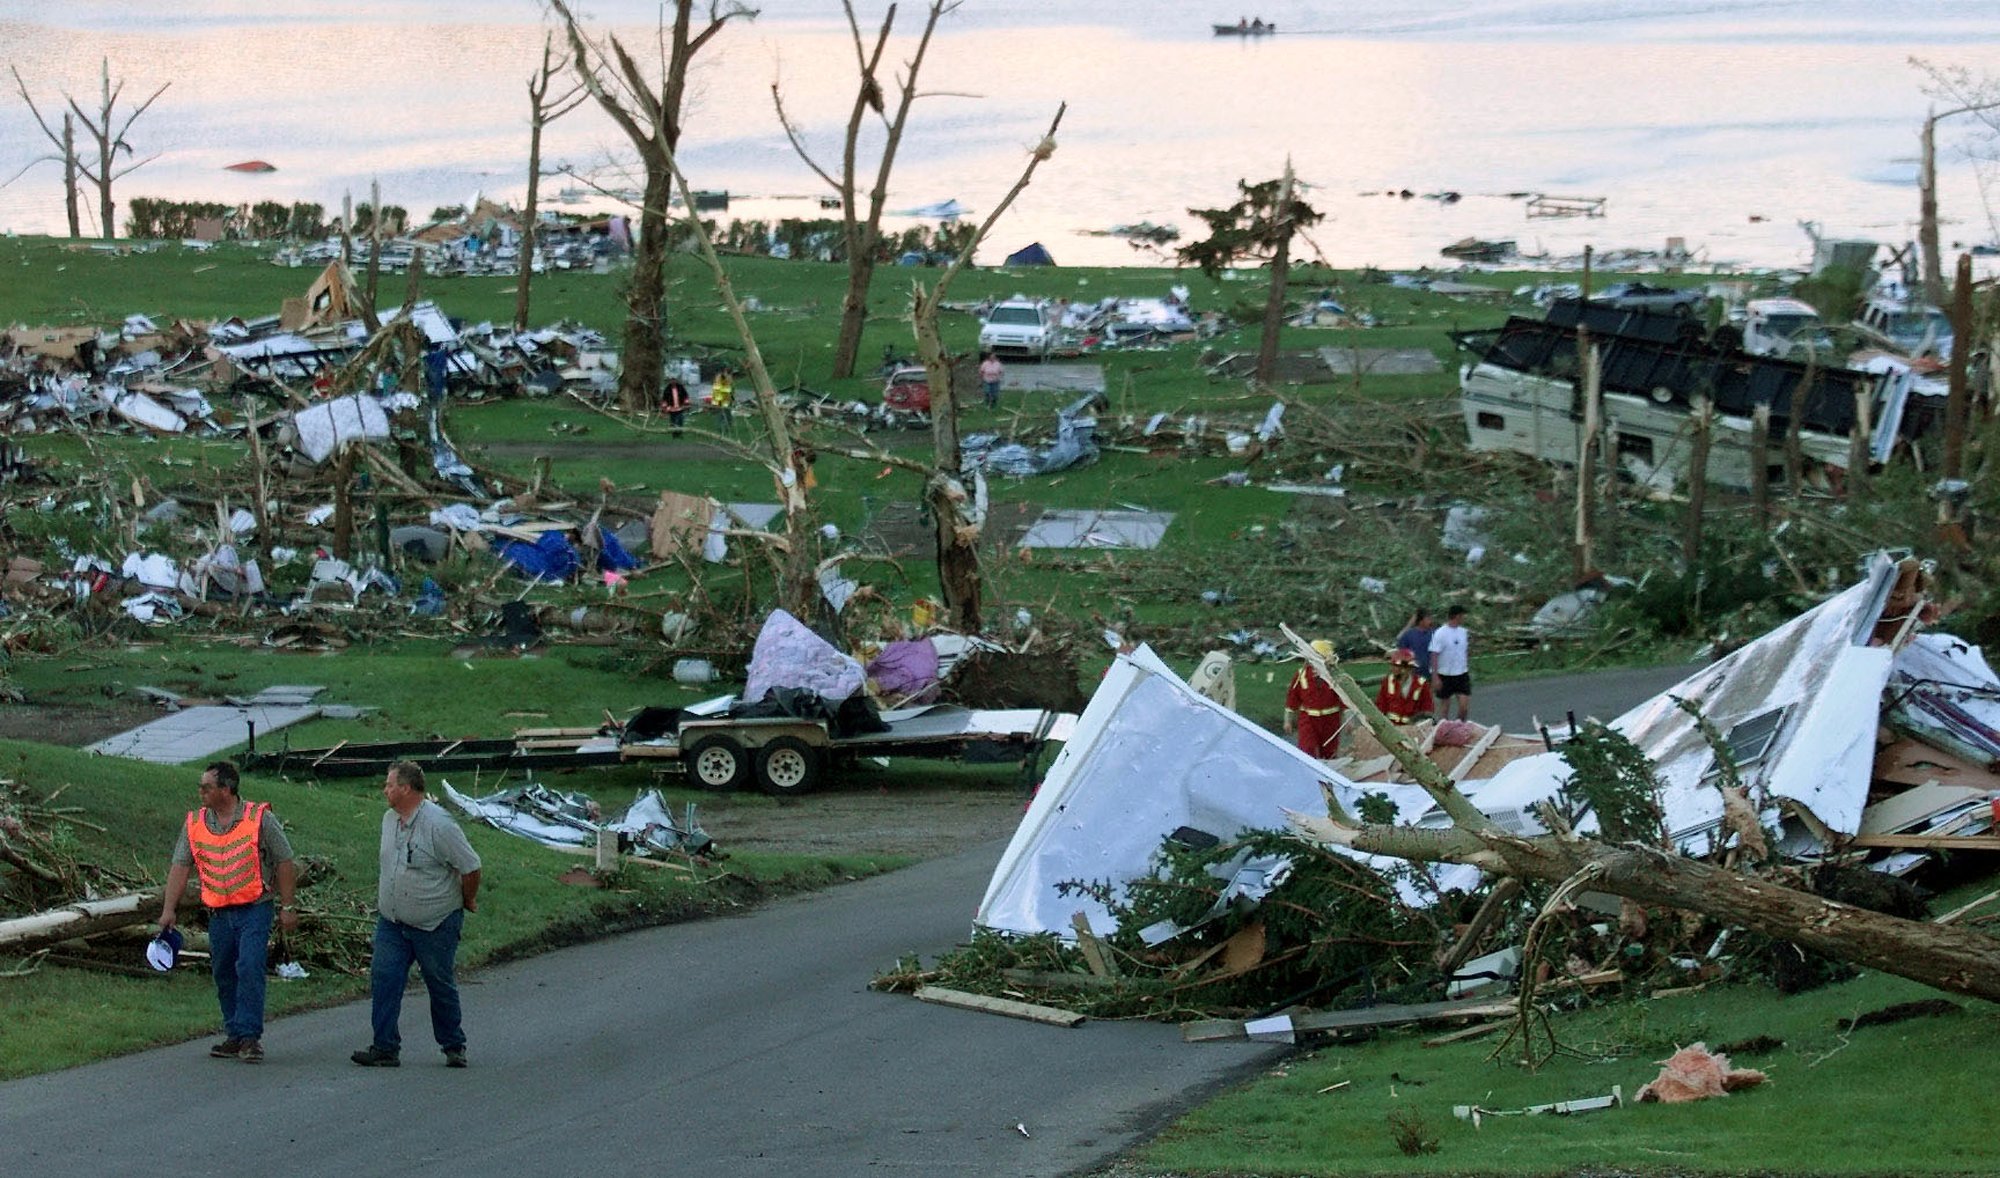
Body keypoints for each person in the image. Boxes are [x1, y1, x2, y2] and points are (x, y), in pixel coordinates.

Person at [157, 762, 299, 1065]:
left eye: (207, 787)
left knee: (249, 966)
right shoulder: (195, 823)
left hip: (255, 908)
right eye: (201, 786)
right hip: (219, 912)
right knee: (223, 970)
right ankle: (234, 1033)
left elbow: (285, 861)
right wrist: (169, 909)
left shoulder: (259, 818)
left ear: (226, 789)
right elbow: (180, 866)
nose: (201, 792)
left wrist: (288, 907)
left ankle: (250, 1036)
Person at [352, 761, 482, 1069]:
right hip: (392, 921)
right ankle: (384, 1047)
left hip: (434, 922)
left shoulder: (440, 825)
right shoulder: (388, 820)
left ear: (406, 789)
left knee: (438, 980)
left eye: (390, 785)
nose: (385, 790)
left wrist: (467, 899)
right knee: (384, 977)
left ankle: (453, 1045)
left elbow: (471, 866)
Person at [1283, 639, 1346, 759]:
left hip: (1330, 720)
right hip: (1308, 719)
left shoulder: (1334, 674)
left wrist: (1349, 718)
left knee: (1329, 752)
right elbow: (1292, 698)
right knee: (1307, 749)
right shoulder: (1301, 674)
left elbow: (1344, 698)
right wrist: (1288, 719)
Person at [1374, 647, 1435, 725]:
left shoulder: (1421, 685)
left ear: (1407, 668)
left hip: (1413, 728)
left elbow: (1427, 710)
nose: (1392, 669)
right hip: (1391, 727)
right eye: (1393, 665)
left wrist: (1418, 723)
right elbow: (1380, 707)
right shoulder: (1387, 682)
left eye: (1396, 666)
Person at [1432, 605, 1472, 720]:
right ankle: (1443, 729)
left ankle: (1458, 727)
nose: (1464, 618)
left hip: (1461, 674)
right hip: (1445, 674)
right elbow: (1434, 654)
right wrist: (1435, 676)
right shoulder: (1440, 633)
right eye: (1462, 616)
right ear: (1457, 616)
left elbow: (1465, 651)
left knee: (1464, 707)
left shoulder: (1463, 632)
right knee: (1445, 708)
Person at [1395, 608, 1437, 713]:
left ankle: (1427, 720)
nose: (1430, 621)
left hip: (1429, 673)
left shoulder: (1434, 633)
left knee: (1428, 700)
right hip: (1413, 674)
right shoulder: (1409, 635)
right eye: (1428, 619)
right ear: (1421, 621)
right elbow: (1401, 651)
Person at [708, 369, 735, 433]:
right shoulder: (726, 379)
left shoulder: (718, 379)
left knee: (720, 415)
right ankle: (725, 428)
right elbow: (729, 390)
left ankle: (721, 428)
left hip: (719, 400)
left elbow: (716, 391)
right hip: (724, 400)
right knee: (726, 414)